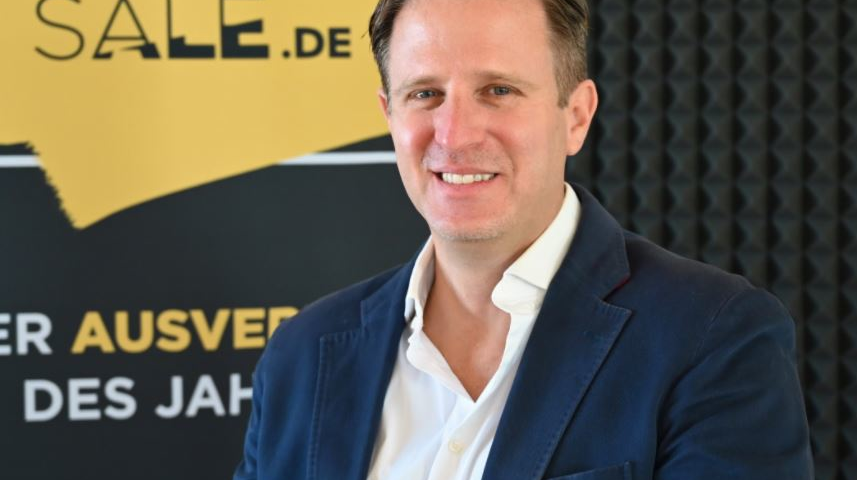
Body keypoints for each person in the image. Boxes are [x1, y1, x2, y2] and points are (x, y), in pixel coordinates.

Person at [234, 0, 813, 477]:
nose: (454, 134)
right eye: (425, 94)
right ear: (390, 115)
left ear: (576, 116)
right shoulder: (301, 356)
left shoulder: (715, 338)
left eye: (499, 90)